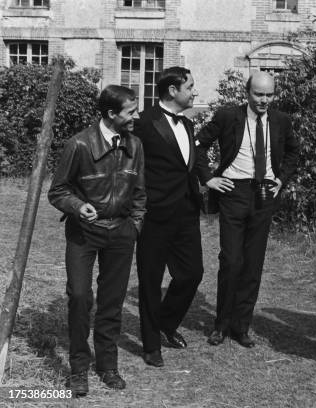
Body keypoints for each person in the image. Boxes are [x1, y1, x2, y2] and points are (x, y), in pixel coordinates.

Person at [48, 85, 145, 396]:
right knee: (79, 297)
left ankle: (107, 365)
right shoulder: (78, 145)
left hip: (121, 233)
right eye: (131, 112)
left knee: (112, 303)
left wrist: (135, 227)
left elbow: (141, 193)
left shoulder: (136, 145)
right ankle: (79, 368)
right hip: (83, 234)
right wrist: (78, 207)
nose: (136, 116)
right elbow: (57, 191)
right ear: (111, 114)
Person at [196, 71, 298, 348]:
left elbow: (293, 153)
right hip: (233, 193)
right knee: (231, 261)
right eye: (258, 94)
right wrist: (207, 178)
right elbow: (199, 145)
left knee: (253, 264)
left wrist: (281, 179)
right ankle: (221, 324)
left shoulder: (281, 121)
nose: (264, 100)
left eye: (269, 95)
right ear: (247, 93)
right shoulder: (228, 116)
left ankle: (241, 326)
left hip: (265, 195)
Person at [134, 66, 205, 367]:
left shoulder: (186, 124)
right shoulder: (144, 124)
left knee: (192, 273)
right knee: (150, 280)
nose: (194, 92)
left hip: (186, 212)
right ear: (173, 91)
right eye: (190, 87)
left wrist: (207, 180)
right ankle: (151, 345)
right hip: (154, 215)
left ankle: (165, 322)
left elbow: (190, 161)